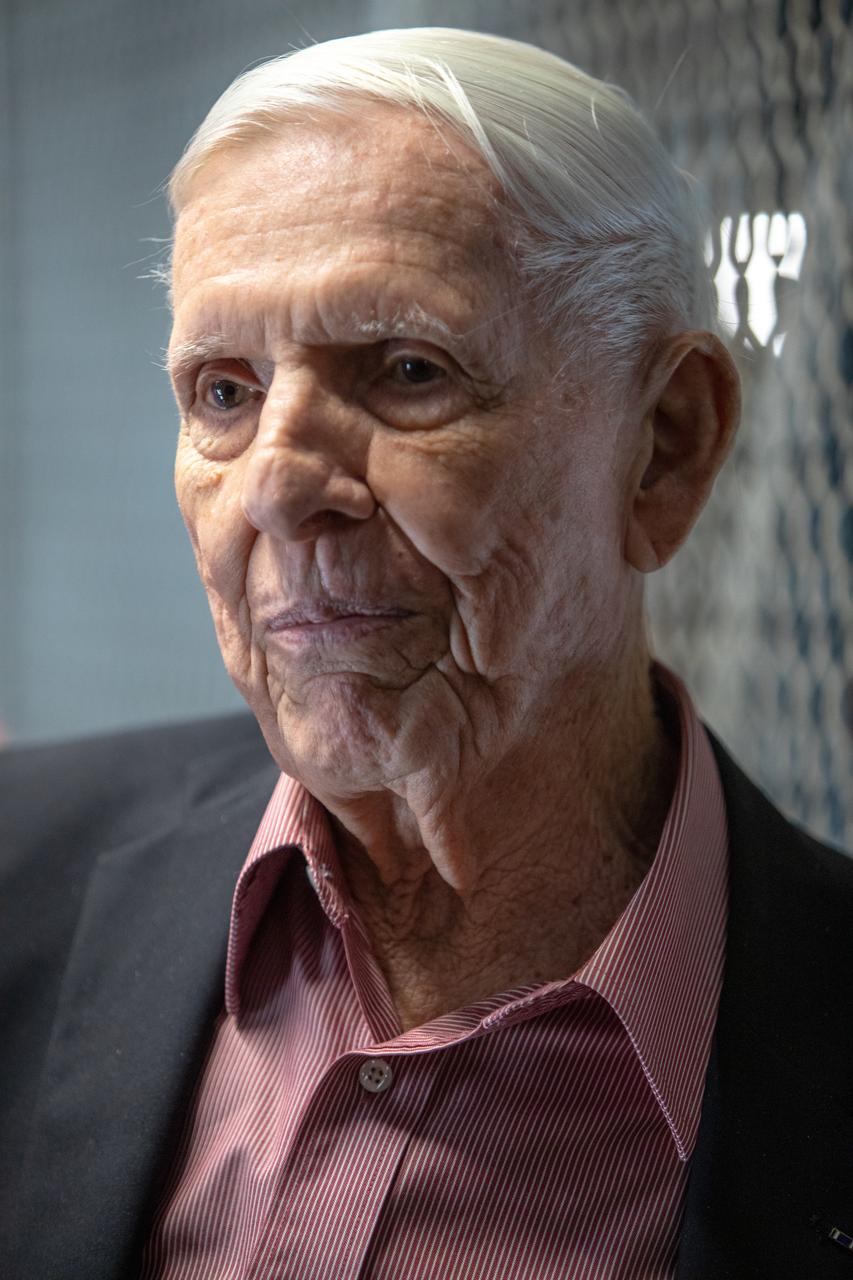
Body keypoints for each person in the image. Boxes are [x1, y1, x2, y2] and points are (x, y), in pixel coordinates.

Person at [1, 27, 851, 1280]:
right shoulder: (19, 867)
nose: (277, 491)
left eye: (407, 371)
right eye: (223, 393)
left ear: (664, 445)